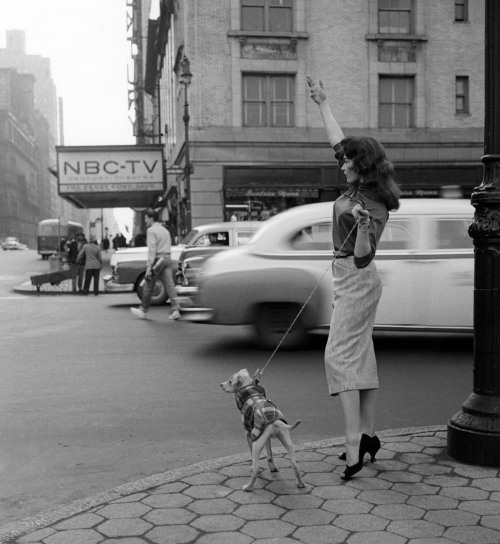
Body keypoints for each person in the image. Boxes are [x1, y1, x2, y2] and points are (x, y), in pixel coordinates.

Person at [308, 76, 400, 480]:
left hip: (358, 279)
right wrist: (323, 103)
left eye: (348, 160)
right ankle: (368, 436)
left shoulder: (375, 205)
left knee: (339, 357)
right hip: (347, 275)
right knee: (359, 354)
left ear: (362, 167)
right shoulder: (354, 185)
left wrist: (363, 229)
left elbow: (364, 260)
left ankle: (352, 449)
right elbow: (338, 140)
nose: (341, 162)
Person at [130, 210, 180, 320]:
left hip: (157, 259)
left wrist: (149, 267)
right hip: (167, 258)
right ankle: (176, 309)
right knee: (170, 285)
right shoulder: (165, 230)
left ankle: (143, 310)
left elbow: (152, 249)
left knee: (148, 285)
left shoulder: (151, 230)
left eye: (146, 218)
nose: (145, 220)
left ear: (151, 218)